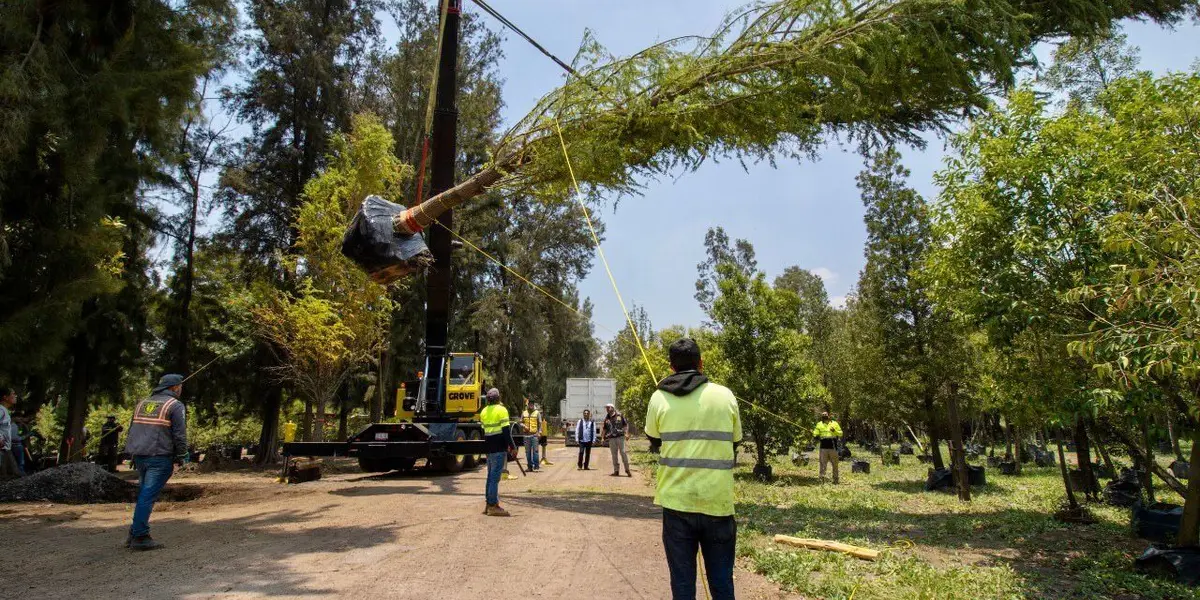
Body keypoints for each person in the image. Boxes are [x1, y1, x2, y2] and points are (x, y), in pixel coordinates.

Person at [645, 338, 742, 600]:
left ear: (671, 366)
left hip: (677, 505)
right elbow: (735, 442)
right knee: (722, 583)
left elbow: (654, 440)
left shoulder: (659, 396)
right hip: (718, 504)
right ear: (700, 363)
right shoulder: (725, 395)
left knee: (683, 584)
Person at [124, 374, 189, 551]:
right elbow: (179, 434)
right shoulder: (174, 405)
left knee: (144, 494)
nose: (181, 389)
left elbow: (133, 429)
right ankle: (140, 536)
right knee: (147, 496)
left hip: (140, 455)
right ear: (175, 387)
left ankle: (134, 532)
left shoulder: (142, 404)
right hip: (159, 456)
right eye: (180, 386)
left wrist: (131, 452)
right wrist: (181, 455)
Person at [479, 388, 515, 516]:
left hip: (489, 449)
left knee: (490, 477)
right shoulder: (502, 410)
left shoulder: (483, 412)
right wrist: (512, 446)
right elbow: (506, 432)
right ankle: (493, 506)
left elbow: (484, 433)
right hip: (499, 449)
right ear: (498, 398)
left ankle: (489, 504)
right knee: (495, 478)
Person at [813, 411, 843, 484]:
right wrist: (815, 434)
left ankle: (835, 479)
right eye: (823, 415)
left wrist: (834, 431)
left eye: (825, 415)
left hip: (833, 446)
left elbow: (841, 433)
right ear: (821, 417)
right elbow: (815, 433)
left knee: (835, 464)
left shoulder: (834, 423)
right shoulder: (819, 424)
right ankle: (822, 479)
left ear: (829, 416)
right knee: (823, 464)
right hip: (823, 447)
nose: (824, 416)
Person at [603, 403, 632, 477]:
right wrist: (602, 437)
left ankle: (627, 469)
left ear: (612, 408)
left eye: (608, 407)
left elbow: (625, 425)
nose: (607, 409)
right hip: (611, 438)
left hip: (620, 437)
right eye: (606, 408)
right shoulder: (606, 418)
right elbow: (604, 429)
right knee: (614, 455)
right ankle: (616, 471)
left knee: (623, 453)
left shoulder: (619, 415)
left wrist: (626, 434)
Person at [0, 388, 20, 480]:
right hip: (1, 449)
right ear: (5, 397)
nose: (15, 396)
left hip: (6, 448)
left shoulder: (5, 410)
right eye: (13, 393)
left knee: (13, 475)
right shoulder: (1, 409)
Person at [521, 399, 541, 472]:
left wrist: (539, 432)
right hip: (526, 436)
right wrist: (524, 426)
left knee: (535, 451)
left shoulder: (537, 413)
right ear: (528, 405)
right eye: (530, 404)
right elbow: (520, 422)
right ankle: (529, 467)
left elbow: (540, 424)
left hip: (535, 435)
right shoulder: (524, 413)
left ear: (533, 405)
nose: (531, 405)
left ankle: (536, 466)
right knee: (527, 452)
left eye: (532, 404)